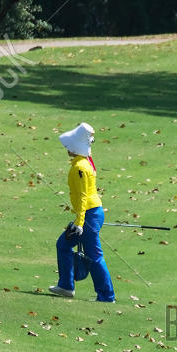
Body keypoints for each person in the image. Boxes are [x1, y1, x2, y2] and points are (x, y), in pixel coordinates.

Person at [49, 122, 115, 302]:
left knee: (94, 256)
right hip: (91, 214)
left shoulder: (80, 167)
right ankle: (66, 286)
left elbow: (83, 197)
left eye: (69, 146)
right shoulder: (85, 161)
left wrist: (79, 223)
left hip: (88, 215)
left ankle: (107, 295)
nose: (67, 148)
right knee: (63, 244)